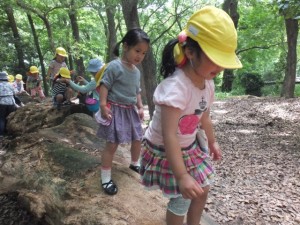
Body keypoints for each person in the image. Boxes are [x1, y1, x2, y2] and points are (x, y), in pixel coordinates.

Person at [140, 6, 242, 225]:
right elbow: (169, 136)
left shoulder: (207, 82)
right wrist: (182, 176)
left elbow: (203, 117)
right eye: (215, 58)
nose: (221, 66)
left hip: (188, 145)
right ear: (190, 51)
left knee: (203, 188)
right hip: (166, 149)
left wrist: (212, 141)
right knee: (181, 198)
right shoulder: (176, 89)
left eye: (224, 59)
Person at [97, 28, 150, 195]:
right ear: (126, 46)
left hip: (130, 110)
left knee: (137, 139)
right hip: (115, 109)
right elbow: (105, 85)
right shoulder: (114, 66)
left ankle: (135, 163)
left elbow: (137, 91)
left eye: (143, 53)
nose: (140, 56)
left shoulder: (136, 72)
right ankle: (105, 177)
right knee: (112, 144)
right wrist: (103, 105)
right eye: (137, 50)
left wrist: (140, 107)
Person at [0, 71, 16, 141]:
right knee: (10, 118)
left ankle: (1, 134)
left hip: (2, 103)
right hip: (11, 103)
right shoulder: (10, 84)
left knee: (2, 118)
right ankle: (10, 133)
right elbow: (14, 94)